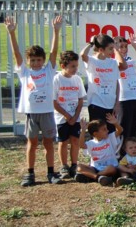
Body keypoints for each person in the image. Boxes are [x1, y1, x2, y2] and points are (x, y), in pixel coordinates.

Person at [5, 15, 63, 186]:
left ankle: (51, 172)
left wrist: (56, 31)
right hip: (32, 114)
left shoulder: (49, 71)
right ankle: (30, 173)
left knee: (48, 143)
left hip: (46, 113)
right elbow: (16, 54)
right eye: (33, 60)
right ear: (28, 61)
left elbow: (53, 52)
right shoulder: (25, 72)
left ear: (43, 61)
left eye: (39, 60)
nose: (36, 63)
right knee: (32, 142)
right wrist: (11, 33)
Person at [81, 33, 127, 133]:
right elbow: (82, 55)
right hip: (96, 103)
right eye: (110, 49)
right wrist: (91, 42)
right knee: (98, 132)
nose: (112, 51)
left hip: (110, 104)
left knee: (110, 133)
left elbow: (123, 67)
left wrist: (117, 103)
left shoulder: (112, 62)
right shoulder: (92, 61)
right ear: (101, 50)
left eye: (113, 48)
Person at [53, 50, 86, 179]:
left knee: (75, 140)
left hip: (75, 118)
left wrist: (75, 116)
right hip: (61, 118)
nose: (75, 69)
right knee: (63, 142)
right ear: (63, 66)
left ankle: (74, 165)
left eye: (76, 66)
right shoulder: (57, 79)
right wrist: (67, 116)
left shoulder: (77, 79)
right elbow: (54, 102)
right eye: (72, 66)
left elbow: (81, 100)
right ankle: (64, 166)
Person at [114, 34, 136, 139]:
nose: (124, 49)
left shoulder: (131, 61)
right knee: (124, 128)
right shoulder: (112, 62)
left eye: (125, 46)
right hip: (123, 99)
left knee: (135, 128)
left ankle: (134, 153)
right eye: (121, 46)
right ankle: (122, 153)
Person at [75, 114, 123, 186]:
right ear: (95, 133)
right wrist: (83, 131)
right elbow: (81, 145)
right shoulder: (91, 143)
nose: (107, 130)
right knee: (79, 167)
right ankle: (98, 178)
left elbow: (120, 130)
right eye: (104, 129)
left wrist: (115, 123)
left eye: (106, 128)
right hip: (95, 167)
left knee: (111, 168)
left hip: (109, 168)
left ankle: (91, 177)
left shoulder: (110, 138)